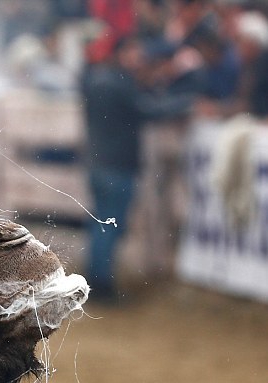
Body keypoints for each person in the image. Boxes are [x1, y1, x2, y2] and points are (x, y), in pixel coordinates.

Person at [80, 35, 194, 299]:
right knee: (110, 226)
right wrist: (186, 103)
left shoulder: (95, 79)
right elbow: (148, 110)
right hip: (116, 166)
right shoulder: (119, 83)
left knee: (100, 225)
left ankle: (95, 280)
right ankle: (101, 285)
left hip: (98, 163)